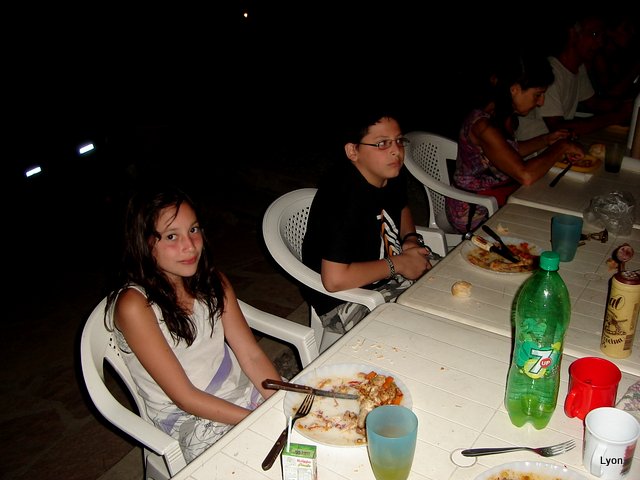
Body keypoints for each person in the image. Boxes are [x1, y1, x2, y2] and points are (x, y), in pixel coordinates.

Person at [104, 185, 281, 463]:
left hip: (237, 390)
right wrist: (256, 419)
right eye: (171, 236)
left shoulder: (212, 281)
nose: (190, 246)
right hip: (189, 417)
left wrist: (279, 402)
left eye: (194, 230)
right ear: (144, 242)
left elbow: (251, 354)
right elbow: (185, 397)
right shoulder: (134, 305)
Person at [301, 110, 433, 335]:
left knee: (450, 284)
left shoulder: (390, 172)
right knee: (424, 330)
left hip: (388, 275)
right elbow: (334, 280)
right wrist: (400, 264)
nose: (396, 151)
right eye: (382, 143)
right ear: (353, 151)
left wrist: (410, 239)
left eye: (398, 141)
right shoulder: (342, 196)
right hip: (343, 300)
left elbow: (401, 207)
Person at [446, 52, 585, 233]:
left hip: (498, 194)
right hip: (474, 209)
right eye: (538, 94)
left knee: (560, 202)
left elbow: (508, 153)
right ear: (514, 89)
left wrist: (547, 140)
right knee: (546, 222)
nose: (541, 102)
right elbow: (525, 175)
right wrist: (561, 147)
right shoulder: (483, 125)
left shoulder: (503, 115)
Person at [516, 13, 634, 141]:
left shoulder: (578, 67)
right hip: (534, 147)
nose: (600, 43)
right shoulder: (551, 71)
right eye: (594, 34)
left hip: (554, 144)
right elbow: (557, 127)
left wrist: (627, 106)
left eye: (602, 36)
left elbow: (594, 103)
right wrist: (615, 117)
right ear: (573, 34)